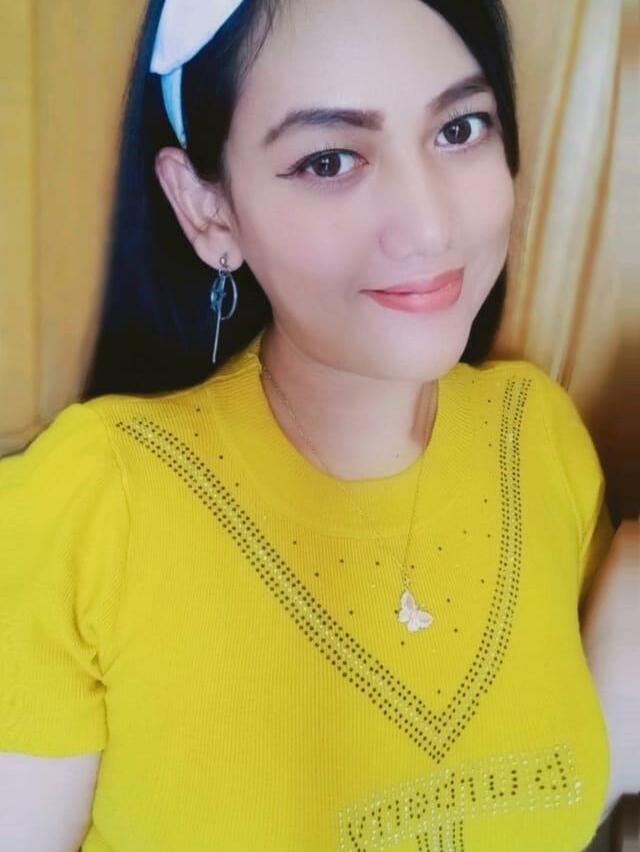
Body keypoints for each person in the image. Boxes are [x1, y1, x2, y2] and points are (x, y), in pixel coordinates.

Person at [0, 1, 616, 850]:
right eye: (330, 160)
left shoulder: (538, 435)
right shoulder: (92, 504)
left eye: (459, 128)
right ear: (207, 209)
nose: (430, 226)